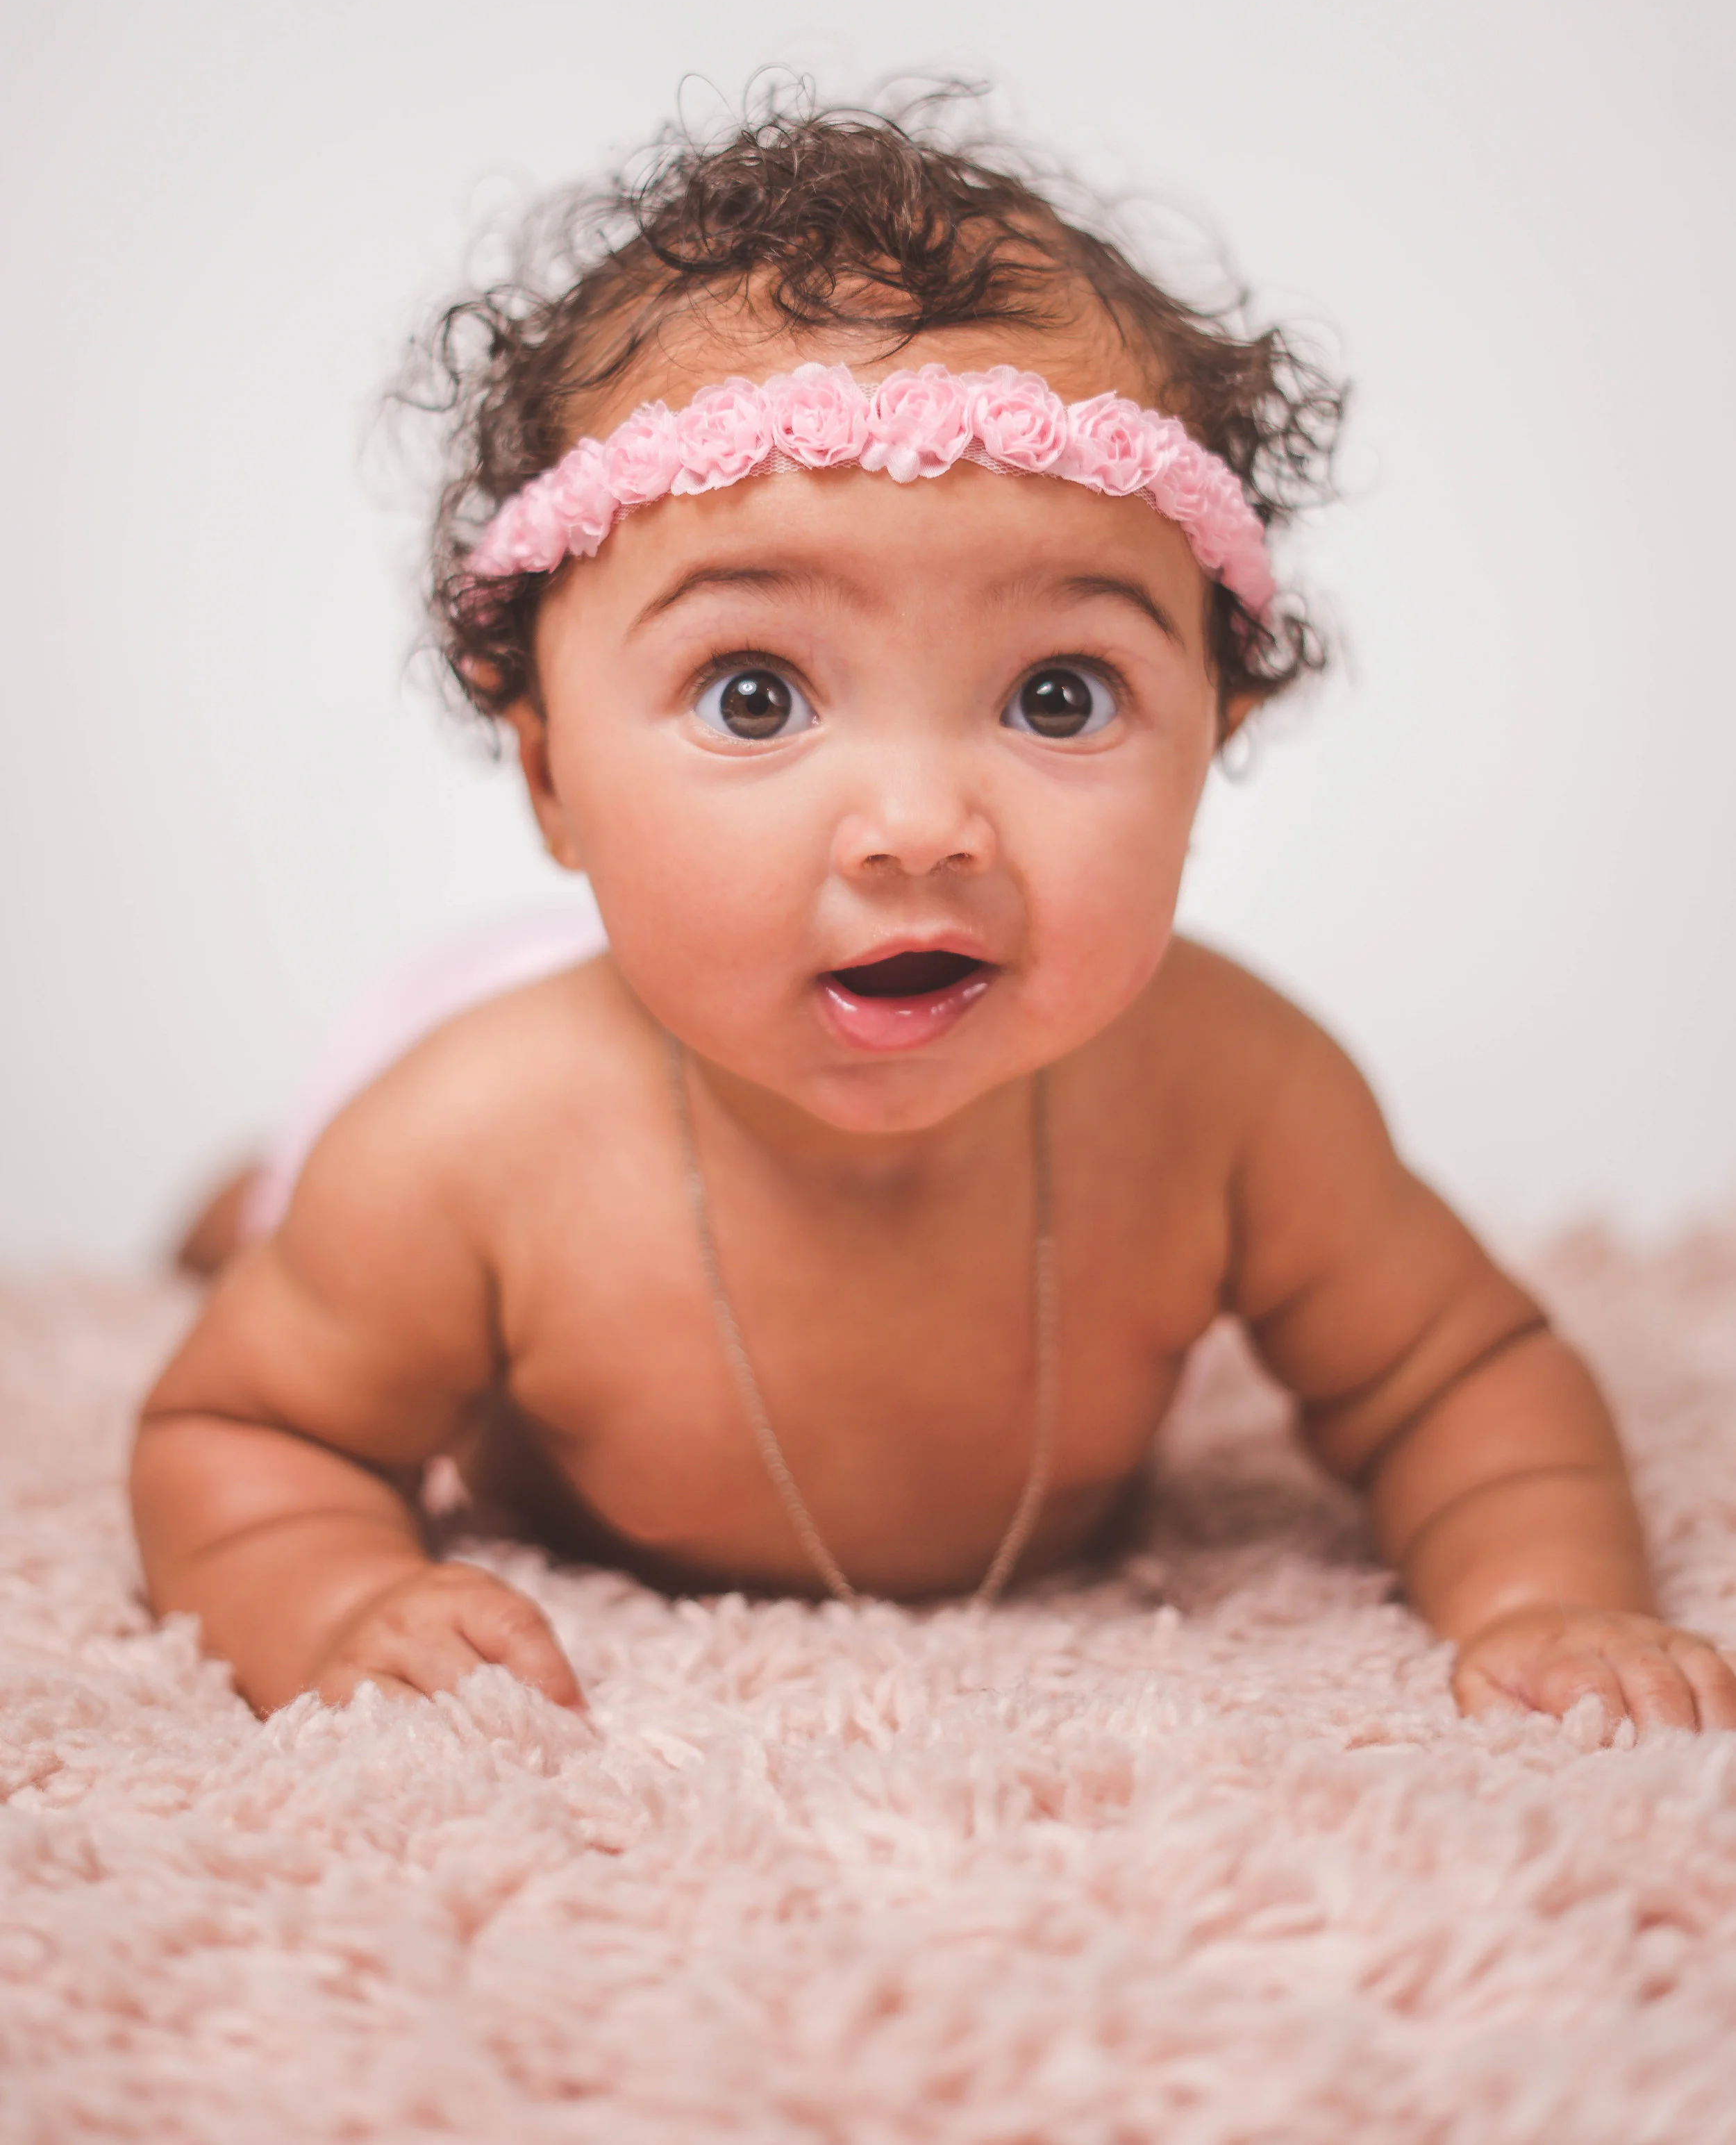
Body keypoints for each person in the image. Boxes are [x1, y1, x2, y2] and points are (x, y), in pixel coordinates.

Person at [133, 92, 1736, 1735]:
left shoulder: (1231, 1096)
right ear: (546, 776)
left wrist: (1547, 1595)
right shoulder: (470, 1144)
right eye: (753, 696)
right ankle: (242, 1197)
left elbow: (1457, 1377)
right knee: (289, 1236)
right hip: (483, 1071)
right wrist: (331, 1596)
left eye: (1055, 695)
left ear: (1214, 739)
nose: (915, 830)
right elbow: (250, 1435)